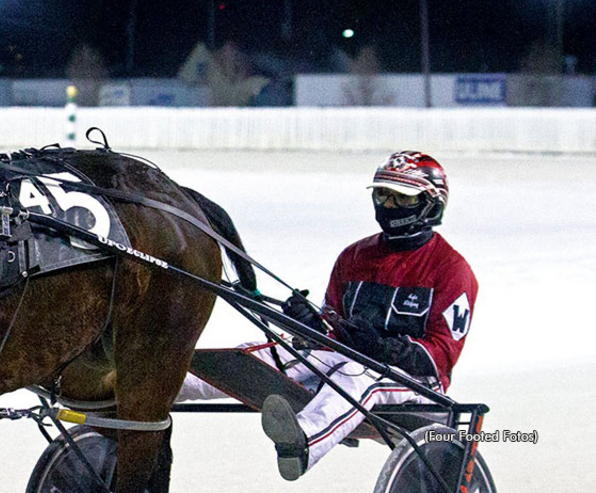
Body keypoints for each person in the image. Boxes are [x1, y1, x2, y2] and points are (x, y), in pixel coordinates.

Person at [177, 151, 478, 481]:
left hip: (415, 385)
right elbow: (330, 331)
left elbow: (442, 357)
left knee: (358, 373)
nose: (387, 205)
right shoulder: (354, 256)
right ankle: (158, 386)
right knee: (264, 353)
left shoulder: (452, 270)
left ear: (430, 204)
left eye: (400, 198)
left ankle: (303, 440)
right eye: (382, 194)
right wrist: (309, 323)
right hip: (342, 364)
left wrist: (382, 348)